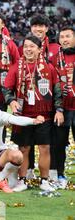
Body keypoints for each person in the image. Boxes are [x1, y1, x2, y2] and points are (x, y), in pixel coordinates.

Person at [2, 35, 63, 192]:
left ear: (39, 49)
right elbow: (6, 88)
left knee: (44, 147)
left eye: (32, 46)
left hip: (45, 115)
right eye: (26, 46)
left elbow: (57, 91)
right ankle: (22, 181)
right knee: (24, 148)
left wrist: (59, 110)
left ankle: (44, 181)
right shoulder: (17, 66)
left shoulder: (48, 67)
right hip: (23, 116)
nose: (28, 49)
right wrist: (11, 101)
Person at [50, 27, 75, 189]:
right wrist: (57, 109)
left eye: (68, 36)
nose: (65, 39)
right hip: (62, 108)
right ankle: (59, 174)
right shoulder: (53, 59)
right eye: (62, 37)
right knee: (59, 143)